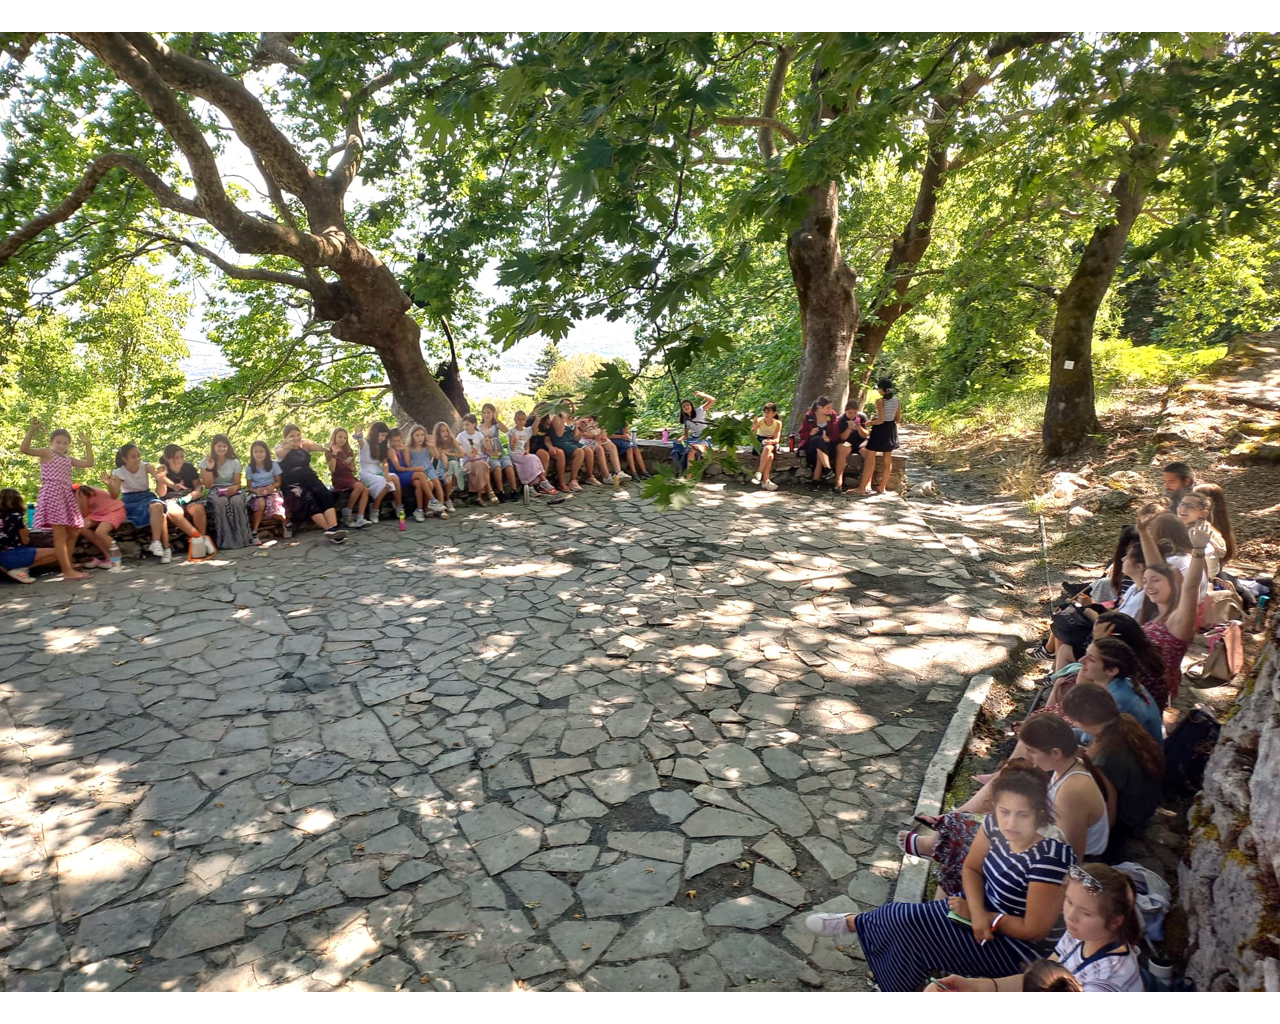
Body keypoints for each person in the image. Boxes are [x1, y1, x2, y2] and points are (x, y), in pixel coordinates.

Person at [808, 761, 1074, 992]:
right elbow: (972, 868)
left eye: (1022, 815)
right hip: (979, 911)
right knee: (900, 918)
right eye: (1005, 812)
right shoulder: (995, 824)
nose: (1011, 823)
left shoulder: (1050, 857)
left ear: (1039, 814)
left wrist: (983, 917)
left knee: (909, 933)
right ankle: (860, 928)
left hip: (1016, 947)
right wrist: (977, 911)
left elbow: (1034, 931)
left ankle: (856, 925)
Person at [902, 715, 1107, 894]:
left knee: (965, 840)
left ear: (1055, 753)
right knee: (966, 824)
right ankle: (940, 863)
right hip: (1045, 841)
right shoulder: (1067, 767)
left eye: (1032, 751)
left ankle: (938, 861)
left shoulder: (1072, 791)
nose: (1028, 757)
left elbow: (1070, 855)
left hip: (1052, 860)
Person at [926, 863, 1144, 992]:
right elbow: (1041, 979)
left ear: (1115, 921)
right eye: (1069, 902)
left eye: (1086, 913)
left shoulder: (1106, 981)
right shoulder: (1083, 934)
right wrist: (975, 986)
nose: (1071, 916)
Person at [1062, 686, 1164, 862]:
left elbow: (1108, 818)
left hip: (1126, 822)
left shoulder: (1105, 757)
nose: (1073, 724)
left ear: (1087, 722)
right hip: (1146, 805)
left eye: (1074, 721)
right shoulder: (1123, 722)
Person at [1136, 516, 1213, 709]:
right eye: (1145, 581)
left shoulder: (1177, 622)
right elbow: (1154, 567)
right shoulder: (1159, 613)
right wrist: (1144, 533)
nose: (1148, 586)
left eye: (1156, 581)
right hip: (1137, 683)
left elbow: (1191, 586)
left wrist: (1199, 550)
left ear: (1175, 584)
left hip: (1149, 694)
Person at [19, 419, 92, 580]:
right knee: (60, 535)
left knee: (73, 531)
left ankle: (68, 564)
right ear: (51, 442)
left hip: (66, 494)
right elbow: (24, 449)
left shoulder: (68, 459)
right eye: (58, 442)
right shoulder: (47, 453)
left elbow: (89, 463)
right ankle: (67, 572)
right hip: (52, 493)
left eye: (65, 443)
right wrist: (31, 430)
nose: (62, 445)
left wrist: (87, 445)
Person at [276, 424, 346, 543]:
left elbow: (323, 447)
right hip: (293, 485)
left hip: (310, 479)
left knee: (324, 494)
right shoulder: (281, 447)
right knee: (308, 500)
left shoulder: (305, 444)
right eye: (292, 436)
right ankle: (330, 531)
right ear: (285, 437)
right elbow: (280, 453)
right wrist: (291, 444)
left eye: (298, 435)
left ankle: (334, 526)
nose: (296, 438)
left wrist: (333, 447)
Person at [104, 443, 171, 563]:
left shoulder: (146, 466)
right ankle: (167, 549)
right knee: (160, 516)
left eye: (138, 455)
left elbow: (161, 490)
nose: (137, 459)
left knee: (158, 506)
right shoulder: (119, 472)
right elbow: (114, 495)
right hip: (130, 500)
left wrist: (161, 476)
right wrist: (109, 484)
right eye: (133, 457)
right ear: (125, 459)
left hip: (147, 496)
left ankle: (156, 542)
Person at [156, 444, 213, 558]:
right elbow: (161, 493)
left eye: (182, 456)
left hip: (189, 496)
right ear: (168, 459)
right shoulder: (163, 470)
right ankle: (199, 538)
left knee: (198, 509)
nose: (180, 460)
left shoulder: (188, 467)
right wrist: (161, 478)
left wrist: (196, 492)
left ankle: (200, 543)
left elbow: (198, 485)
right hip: (171, 498)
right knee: (174, 513)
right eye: (177, 457)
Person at [200, 434, 253, 550]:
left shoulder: (234, 462)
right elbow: (208, 485)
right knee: (221, 501)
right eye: (219, 446)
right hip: (215, 489)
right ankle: (225, 540)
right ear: (214, 446)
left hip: (232, 488)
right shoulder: (205, 462)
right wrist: (210, 467)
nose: (222, 448)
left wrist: (234, 488)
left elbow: (238, 483)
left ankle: (242, 538)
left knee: (237, 500)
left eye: (224, 446)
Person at [0, 488, 60, 583]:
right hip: (14, 554)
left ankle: (19, 569)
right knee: (59, 552)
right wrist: (25, 530)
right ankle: (22, 568)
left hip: (2, 557)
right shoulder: (16, 516)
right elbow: (26, 541)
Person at [857, 377, 901, 495]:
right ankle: (882, 487)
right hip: (890, 429)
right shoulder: (897, 400)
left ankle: (862, 488)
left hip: (880, 430)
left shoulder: (880, 401)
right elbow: (898, 419)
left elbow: (880, 420)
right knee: (887, 459)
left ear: (881, 389)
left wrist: (870, 423)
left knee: (870, 457)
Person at [1177, 487, 1233, 577]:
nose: (1183, 509)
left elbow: (1208, 571)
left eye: (1190, 507)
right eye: (1181, 504)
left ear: (1203, 513)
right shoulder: (1191, 528)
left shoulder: (1198, 535)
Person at [353, 421, 400, 523]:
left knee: (394, 477)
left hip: (378, 471)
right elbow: (360, 441)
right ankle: (375, 509)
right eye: (382, 435)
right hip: (366, 473)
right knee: (384, 483)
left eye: (385, 436)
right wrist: (358, 436)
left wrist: (386, 474)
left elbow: (385, 463)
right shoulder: (365, 444)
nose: (383, 438)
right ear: (375, 433)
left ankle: (398, 505)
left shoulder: (382, 446)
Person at [244, 440, 288, 545]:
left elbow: (279, 482)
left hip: (272, 491)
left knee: (273, 508)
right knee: (260, 503)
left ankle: (287, 523)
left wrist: (272, 486)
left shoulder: (273, 465)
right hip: (257, 493)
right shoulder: (250, 467)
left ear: (266, 452)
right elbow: (249, 487)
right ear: (252, 453)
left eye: (261, 451)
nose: (259, 454)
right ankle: (254, 532)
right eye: (256, 452)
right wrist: (256, 490)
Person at [326, 428, 370, 528]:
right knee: (359, 486)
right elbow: (332, 469)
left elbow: (353, 468)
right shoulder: (329, 451)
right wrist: (334, 454)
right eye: (340, 437)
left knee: (366, 489)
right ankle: (347, 511)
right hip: (339, 478)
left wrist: (352, 467)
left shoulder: (348, 451)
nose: (342, 440)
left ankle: (360, 517)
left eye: (345, 438)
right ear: (334, 437)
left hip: (349, 476)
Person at [74, 484, 126, 568]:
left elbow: (84, 513)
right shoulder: (81, 491)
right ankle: (107, 555)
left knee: (100, 532)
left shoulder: (80, 493)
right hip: (99, 513)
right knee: (81, 526)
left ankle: (116, 557)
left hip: (114, 511)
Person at [508, 411, 558, 497]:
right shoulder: (512, 432)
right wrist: (514, 442)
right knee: (532, 459)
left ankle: (531, 487)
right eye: (519, 419)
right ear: (515, 420)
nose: (521, 421)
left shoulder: (526, 431)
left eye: (523, 419)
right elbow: (511, 448)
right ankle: (543, 480)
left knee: (534, 458)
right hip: (515, 454)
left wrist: (527, 451)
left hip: (523, 453)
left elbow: (527, 444)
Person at [406, 425, 449, 518]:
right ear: (412, 436)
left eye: (422, 435)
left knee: (437, 483)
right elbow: (408, 464)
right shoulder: (409, 448)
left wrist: (432, 447)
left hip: (429, 468)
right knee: (427, 485)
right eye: (417, 435)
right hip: (417, 470)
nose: (420, 437)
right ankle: (427, 508)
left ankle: (441, 508)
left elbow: (437, 456)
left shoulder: (426, 445)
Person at [479, 403, 520, 500]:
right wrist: (489, 453)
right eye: (484, 413)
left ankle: (514, 490)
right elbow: (480, 445)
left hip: (500, 450)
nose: (486, 415)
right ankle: (500, 492)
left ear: (493, 413)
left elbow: (507, 431)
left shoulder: (496, 425)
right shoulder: (479, 428)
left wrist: (497, 419)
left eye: (489, 412)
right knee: (496, 466)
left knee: (508, 465)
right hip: (489, 453)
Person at [457, 413, 499, 505]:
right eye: (464, 425)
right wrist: (468, 454)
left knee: (483, 465)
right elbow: (458, 450)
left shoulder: (479, 435)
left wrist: (486, 437)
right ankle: (489, 491)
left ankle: (479, 496)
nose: (465, 427)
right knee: (483, 465)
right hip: (467, 461)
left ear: (474, 424)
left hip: (479, 459)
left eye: (467, 425)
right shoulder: (460, 436)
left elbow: (488, 448)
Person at [671, 391, 716, 475]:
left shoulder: (699, 411)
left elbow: (712, 400)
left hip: (705, 437)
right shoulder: (686, 420)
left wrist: (701, 394)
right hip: (694, 438)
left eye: (688, 405)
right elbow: (685, 435)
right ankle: (681, 470)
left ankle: (689, 475)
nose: (686, 407)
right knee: (678, 446)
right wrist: (681, 439)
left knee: (693, 450)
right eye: (684, 406)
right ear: (682, 409)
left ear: (691, 406)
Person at [800, 396, 837, 490]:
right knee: (817, 440)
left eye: (831, 407)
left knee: (820, 448)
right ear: (820, 407)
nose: (830, 410)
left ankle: (816, 480)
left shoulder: (832, 416)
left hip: (827, 445)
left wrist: (829, 439)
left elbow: (836, 433)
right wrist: (810, 433)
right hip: (811, 445)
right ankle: (827, 468)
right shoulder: (809, 416)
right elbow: (802, 433)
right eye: (828, 408)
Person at [834, 400, 870, 493]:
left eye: (855, 412)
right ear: (846, 411)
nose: (852, 415)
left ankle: (867, 483)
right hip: (847, 442)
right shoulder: (841, 419)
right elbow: (842, 437)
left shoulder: (862, 417)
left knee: (869, 453)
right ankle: (838, 483)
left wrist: (859, 428)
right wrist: (849, 428)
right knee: (841, 449)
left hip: (861, 443)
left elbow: (866, 434)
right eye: (850, 412)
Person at [530, 405, 569, 491]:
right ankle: (542, 483)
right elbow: (532, 433)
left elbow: (547, 439)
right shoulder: (530, 420)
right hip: (532, 445)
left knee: (560, 453)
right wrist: (538, 419)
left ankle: (561, 482)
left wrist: (551, 447)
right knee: (544, 455)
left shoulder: (547, 423)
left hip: (543, 445)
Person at [430, 422, 466, 511]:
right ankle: (447, 500)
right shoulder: (437, 444)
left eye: (446, 431)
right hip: (443, 467)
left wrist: (450, 453)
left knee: (453, 465)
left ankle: (448, 499)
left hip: (454, 465)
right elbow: (438, 457)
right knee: (447, 480)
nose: (445, 433)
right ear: (438, 434)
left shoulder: (452, 440)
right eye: (442, 431)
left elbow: (462, 454)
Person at [548, 412, 587, 491]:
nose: (569, 408)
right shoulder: (557, 418)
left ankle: (590, 476)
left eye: (570, 406)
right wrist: (563, 419)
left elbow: (575, 439)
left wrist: (582, 432)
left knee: (588, 450)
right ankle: (573, 481)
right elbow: (559, 434)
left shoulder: (573, 420)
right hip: (560, 442)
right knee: (579, 452)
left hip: (570, 442)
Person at [751, 403, 782, 491]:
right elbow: (752, 432)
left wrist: (770, 441)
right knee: (770, 455)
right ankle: (765, 481)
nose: (766, 414)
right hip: (760, 441)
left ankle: (759, 472)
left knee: (768, 448)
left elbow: (777, 439)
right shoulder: (760, 420)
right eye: (765, 412)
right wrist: (754, 424)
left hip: (771, 442)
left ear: (774, 413)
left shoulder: (778, 423)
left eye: (768, 412)